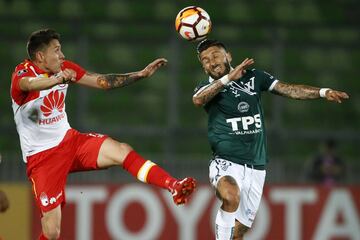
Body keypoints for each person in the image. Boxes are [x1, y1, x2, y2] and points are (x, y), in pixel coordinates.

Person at [10, 29, 196, 240]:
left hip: (71, 142)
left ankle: (173, 185)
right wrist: (57, 79)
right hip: (43, 158)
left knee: (121, 150)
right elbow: (29, 84)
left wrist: (140, 74)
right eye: (57, 50)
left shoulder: (65, 68)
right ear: (41, 56)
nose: (62, 55)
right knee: (52, 232)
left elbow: (102, 81)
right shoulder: (23, 73)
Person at [192, 39, 349, 240]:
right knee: (230, 196)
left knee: (239, 232)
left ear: (228, 56)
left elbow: (288, 89)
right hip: (226, 161)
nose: (211, 62)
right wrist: (228, 79)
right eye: (205, 60)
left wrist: (322, 92)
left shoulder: (255, 77)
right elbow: (198, 100)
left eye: (214, 55)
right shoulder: (206, 87)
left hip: (256, 166)